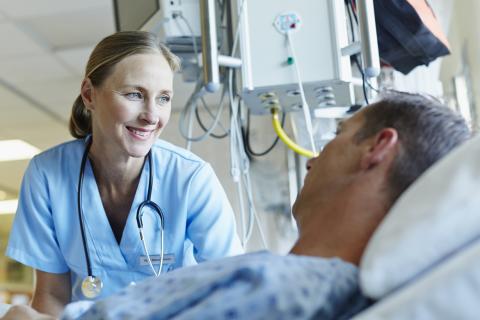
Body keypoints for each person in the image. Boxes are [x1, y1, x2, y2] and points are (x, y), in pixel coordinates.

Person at [2, 92, 470, 320]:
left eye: (336, 137)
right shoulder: (294, 281)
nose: (314, 158)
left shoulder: (287, 288)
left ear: (378, 149)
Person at [4, 31, 243, 317]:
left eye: (164, 98)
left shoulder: (190, 178)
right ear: (89, 95)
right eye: (134, 94)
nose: (152, 115)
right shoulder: (46, 175)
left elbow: (233, 289)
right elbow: (52, 295)